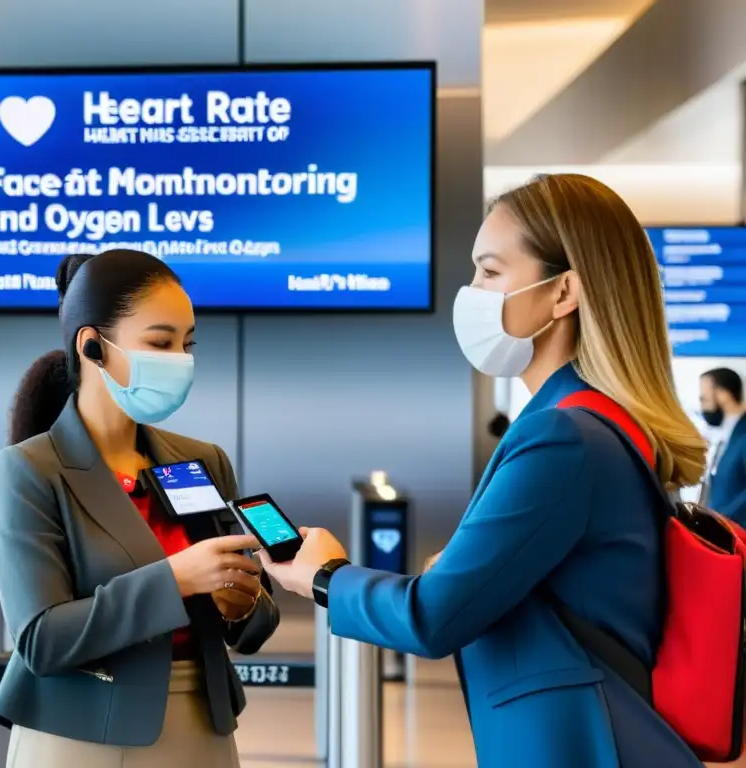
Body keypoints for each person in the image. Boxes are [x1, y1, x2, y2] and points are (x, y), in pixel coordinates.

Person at [261, 174, 708, 768]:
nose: (471, 292)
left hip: (573, 745)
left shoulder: (563, 437)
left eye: (490, 272)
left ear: (563, 292)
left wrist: (324, 576)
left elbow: (433, 617)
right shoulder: (605, 423)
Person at [0, 249, 279, 768]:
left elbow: (257, 616)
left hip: (203, 728)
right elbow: (41, 640)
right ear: (93, 346)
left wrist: (245, 603)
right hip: (80, 735)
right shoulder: (31, 470)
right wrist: (176, 579)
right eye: (160, 342)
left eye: (187, 344)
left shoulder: (202, 459)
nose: (180, 359)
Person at [698, 367, 746, 520]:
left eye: (704, 399)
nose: (702, 406)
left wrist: (721, 520)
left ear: (723, 394)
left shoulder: (742, 434)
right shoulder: (725, 433)